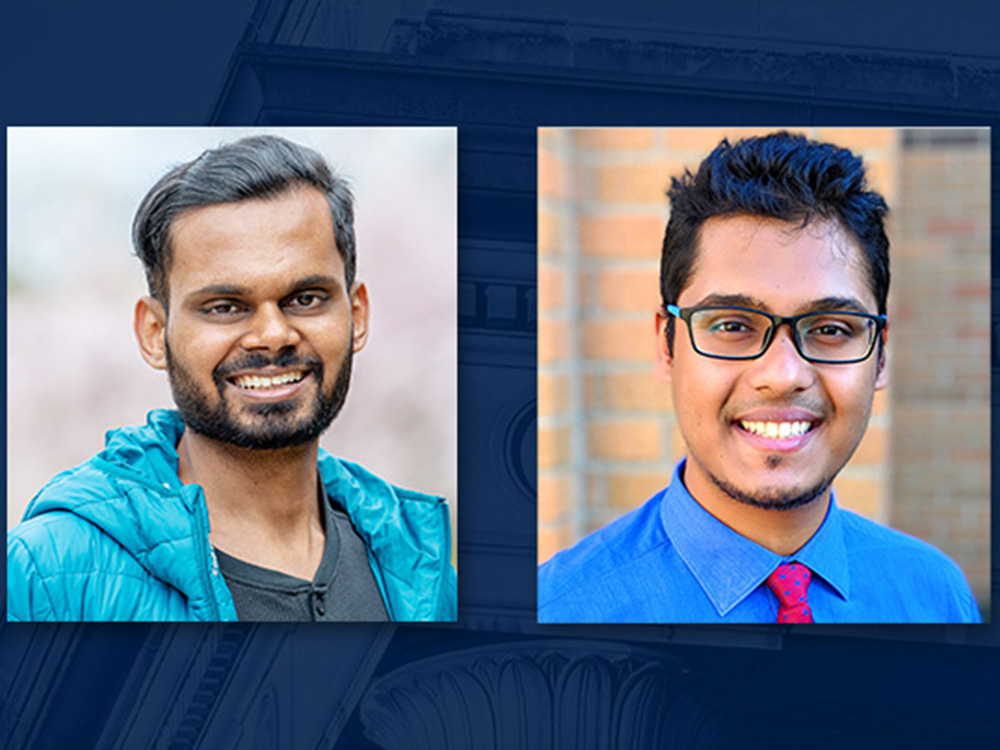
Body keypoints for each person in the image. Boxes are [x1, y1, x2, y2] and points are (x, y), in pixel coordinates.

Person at [7, 135, 456, 622]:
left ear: (358, 314)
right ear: (155, 334)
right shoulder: (49, 576)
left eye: (305, 298)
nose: (272, 335)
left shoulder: (418, 567)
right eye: (225, 307)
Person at [538, 131, 980, 624]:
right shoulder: (560, 613)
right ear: (667, 345)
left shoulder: (935, 598)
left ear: (881, 356)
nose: (783, 374)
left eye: (831, 329)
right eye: (732, 325)